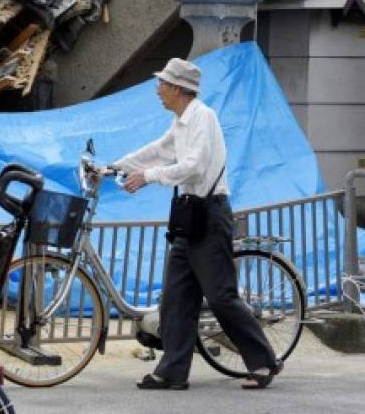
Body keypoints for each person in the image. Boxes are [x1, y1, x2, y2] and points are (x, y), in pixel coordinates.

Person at [113, 57, 282, 391]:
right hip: (190, 217)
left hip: (210, 214)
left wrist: (147, 177)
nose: (158, 89)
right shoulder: (181, 122)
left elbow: (194, 166)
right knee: (176, 296)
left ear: (178, 88)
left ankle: (263, 361)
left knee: (220, 296)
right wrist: (114, 165)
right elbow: (159, 150)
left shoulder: (203, 117)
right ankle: (173, 371)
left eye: (162, 83)